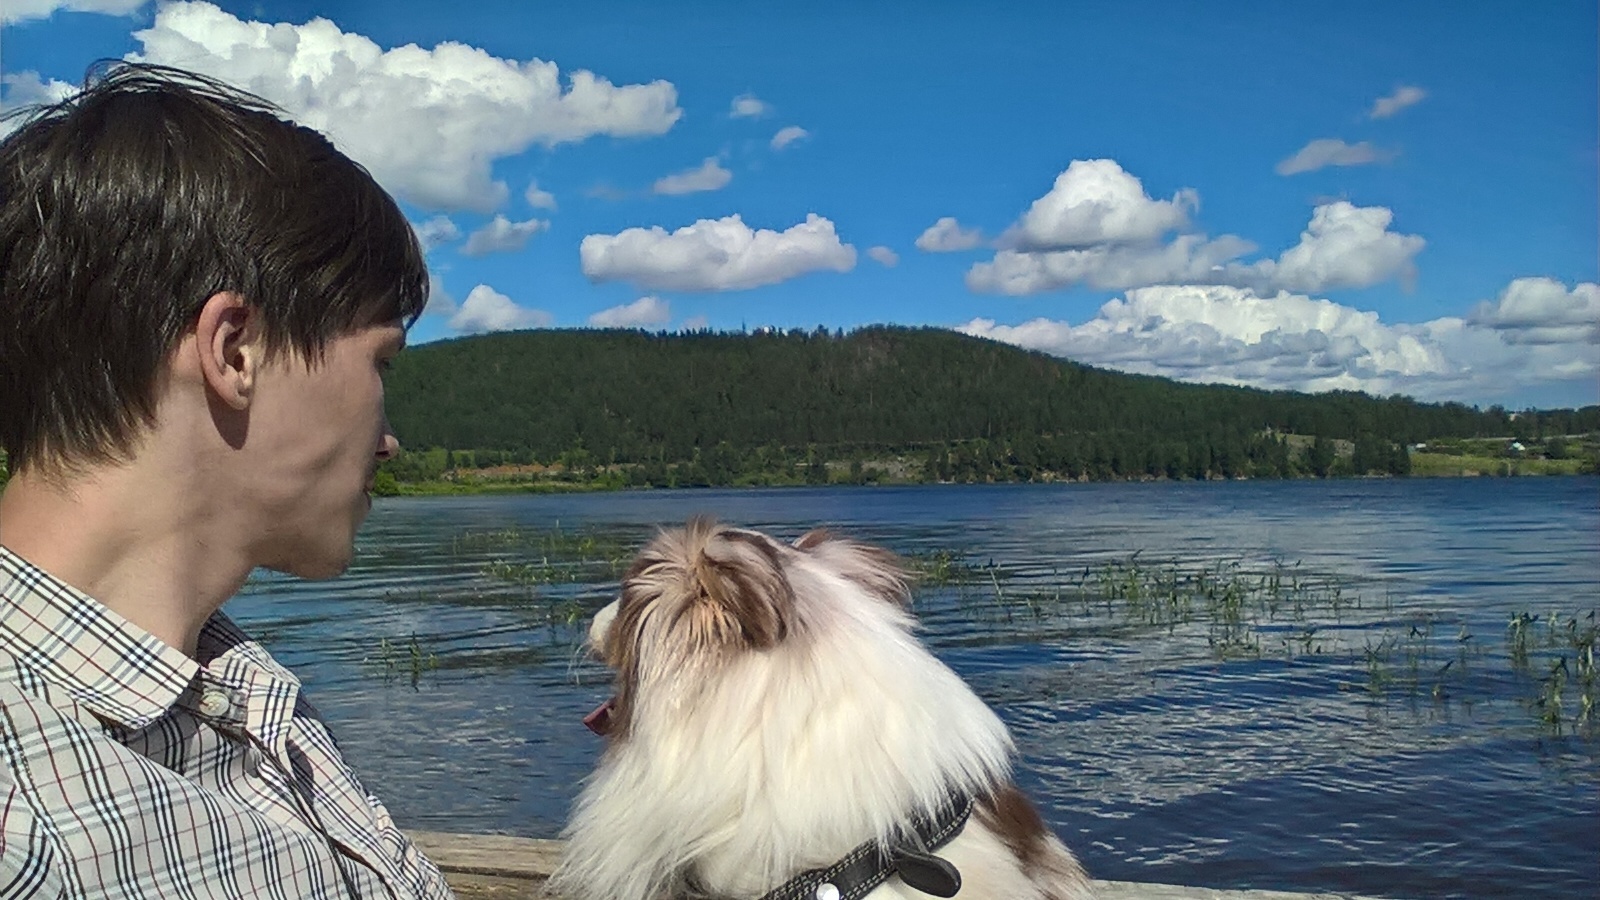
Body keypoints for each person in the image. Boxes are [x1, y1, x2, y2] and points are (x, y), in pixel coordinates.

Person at [0, 62, 454, 898]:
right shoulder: (23, 834)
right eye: (380, 360)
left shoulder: (233, 683)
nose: (387, 439)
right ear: (235, 350)